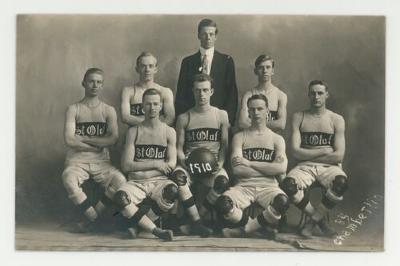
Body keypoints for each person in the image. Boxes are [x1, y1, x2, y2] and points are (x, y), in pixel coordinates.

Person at [214, 94, 289, 238]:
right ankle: (260, 229)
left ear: (267, 111)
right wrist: (268, 169)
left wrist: (249, 163)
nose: (256, 113)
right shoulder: (239, 137)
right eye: (252, 109)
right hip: (243, 186)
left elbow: (281, 169)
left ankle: (244, 230)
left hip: (269, 186)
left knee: (283, 201)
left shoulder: (277, 139)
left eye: (260, 109)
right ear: (248, 111)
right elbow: (237, 169)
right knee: (222, 203)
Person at [280, 80, 348, 238]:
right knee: (288, 185)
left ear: (327, 95)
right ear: (308, 95)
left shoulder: (336, 119)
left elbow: (339, 155)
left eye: (320, 93)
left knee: (341, 183)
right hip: (304, 166)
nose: (316, 96)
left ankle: (312, 222)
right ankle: (320, 221)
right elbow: (296, 153)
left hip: (329, 167)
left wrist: (309, 153)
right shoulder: (299, 117)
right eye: (312, 93)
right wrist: (324, 150)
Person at [62, 68, 126, 233]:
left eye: (98, 82)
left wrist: (83, 139)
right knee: (68, 178)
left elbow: (113, 139)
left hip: (101, 161)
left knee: (120, 181)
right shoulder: (73, 109)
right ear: (83, 83)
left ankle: (92, 220)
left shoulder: (108, 110)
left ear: (102, 85)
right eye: (91, 81)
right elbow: (69, 140)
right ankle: (95, 219)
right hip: (77, 160)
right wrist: (99, 143)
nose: (94, 85)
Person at [170, 73, 230, 236]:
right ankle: (197, 222)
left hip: (213, 164)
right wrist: (184, 163)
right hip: (190, 164)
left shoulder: (221, 115)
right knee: (177, 178)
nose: (201, 94)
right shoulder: (184, 117)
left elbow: (224, 145)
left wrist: (221, 162)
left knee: (223, 181)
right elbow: (179, 148)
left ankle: (196, 220)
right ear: (193, 91)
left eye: (205, 90)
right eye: (198, 90)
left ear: (211, 92)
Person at [114, 88, 178, 241]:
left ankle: (138, 225)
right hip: (137, 182)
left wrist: (145, 171)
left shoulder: (169, 131)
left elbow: (171, 164)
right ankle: (156, 230)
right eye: (148, 104)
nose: (152, 108)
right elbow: (126, 166)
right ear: (142, 107)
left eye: (156, 104)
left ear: (161, 106)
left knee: (172, 191)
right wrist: (156, 164)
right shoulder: (133, 132)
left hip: (159, 182)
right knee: (120, 197)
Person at [175, 18, 238, 126]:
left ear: (216, 36)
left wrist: (228, 121)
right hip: (192, 119)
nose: (208, 38)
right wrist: (184, 122)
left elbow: (232, 95)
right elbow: (181, 94)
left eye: (211, 34)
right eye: (204, 34)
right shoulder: (188, 62)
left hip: (218, 120)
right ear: (198, 35)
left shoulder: (226, 61)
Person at [121, 52, 175, 126]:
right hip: (136, 134)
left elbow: (170, 118)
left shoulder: (165, 92)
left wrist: (153, 129)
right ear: (137, 69)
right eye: (143, 66)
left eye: (151, 66)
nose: (147, 70)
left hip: (159, 135)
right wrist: (150, 125)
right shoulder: (128, 91)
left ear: (155, 69)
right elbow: (125, 117)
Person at [238, 55, 287, 131]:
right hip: (251, 140)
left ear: (272, 71)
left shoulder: (280, 95)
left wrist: (254, 122)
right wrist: (271, 123)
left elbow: (281, 124)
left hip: (272, 140)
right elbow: (242, 123)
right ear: (255, 71)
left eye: (268, 67)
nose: (265, 71)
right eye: (261, 67)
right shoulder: (248, 95)